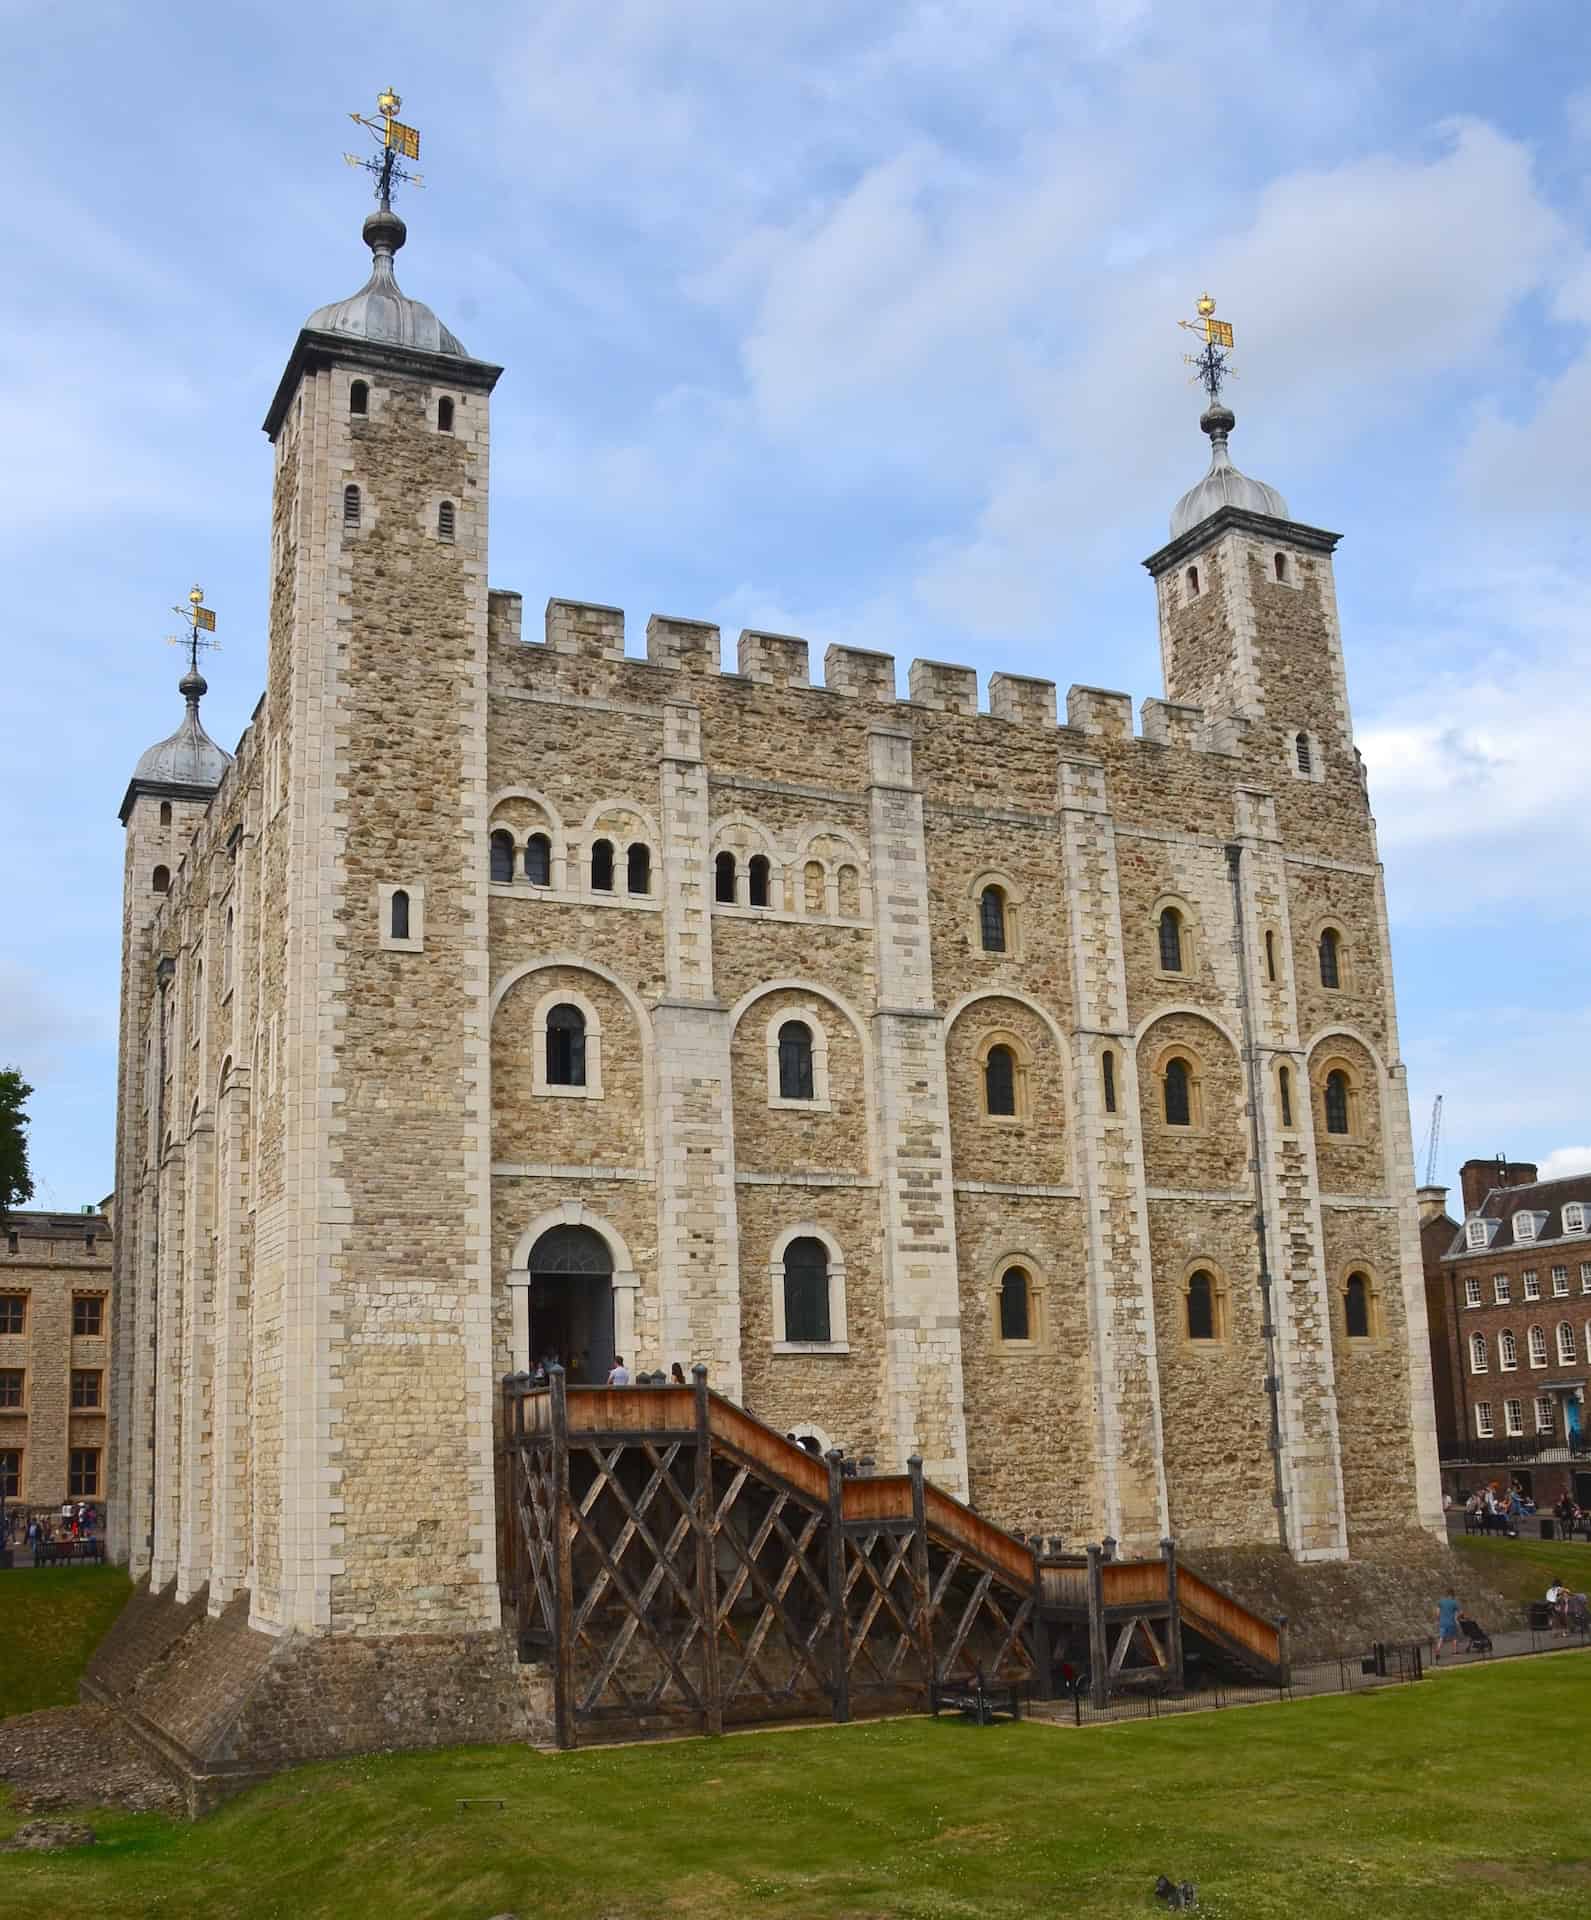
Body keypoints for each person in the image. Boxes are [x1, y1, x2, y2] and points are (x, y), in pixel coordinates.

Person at [1434, 1588, 1460, 1663]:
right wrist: (1458, 1618)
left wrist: (1439, 1620)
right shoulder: (1454, 1602)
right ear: (1452, 1595)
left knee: (1441, 1638)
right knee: (1454, 1637)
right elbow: (1459, 1613)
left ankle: (1438, 1650)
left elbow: (1437, 1613)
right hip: (1451, 1623)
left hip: (1443, 1623)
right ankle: (1455, 1652)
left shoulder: (1440, 1602)